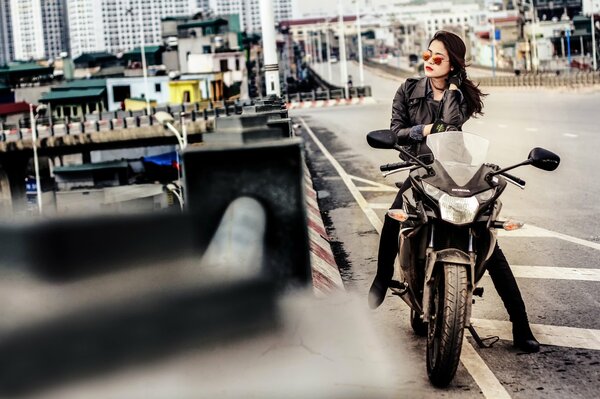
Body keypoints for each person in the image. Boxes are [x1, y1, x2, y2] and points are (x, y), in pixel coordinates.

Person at [367, 31, 540, 353]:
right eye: (427, 55)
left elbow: (451, 128)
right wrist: (425, 130)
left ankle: (521, 324)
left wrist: (451, 94)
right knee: (394, 219)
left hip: (453, 170)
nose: (430, 62)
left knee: (486, 235)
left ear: (453, 64)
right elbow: (397, 132)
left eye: (438, 58)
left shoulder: (458, 95)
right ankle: (381, 277)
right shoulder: (407, 89)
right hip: (420, 168)